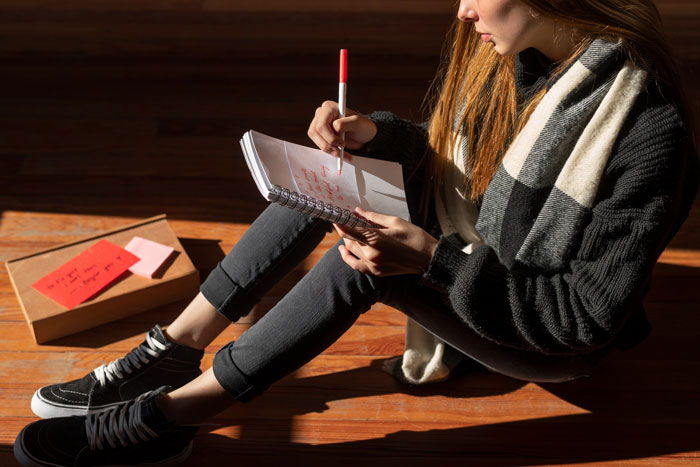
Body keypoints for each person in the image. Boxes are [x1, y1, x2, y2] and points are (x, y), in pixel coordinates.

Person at [14, 0, 699, 465]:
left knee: (366, 256)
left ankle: (172, 418)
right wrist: (375, 138)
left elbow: (581, 318)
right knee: (341, 165)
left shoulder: (648, 133)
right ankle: (175, 344)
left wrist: (433, 260)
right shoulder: (527, 54)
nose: (460, 10)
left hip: (538, 332)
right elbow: (459, 163)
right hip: (480, 261)